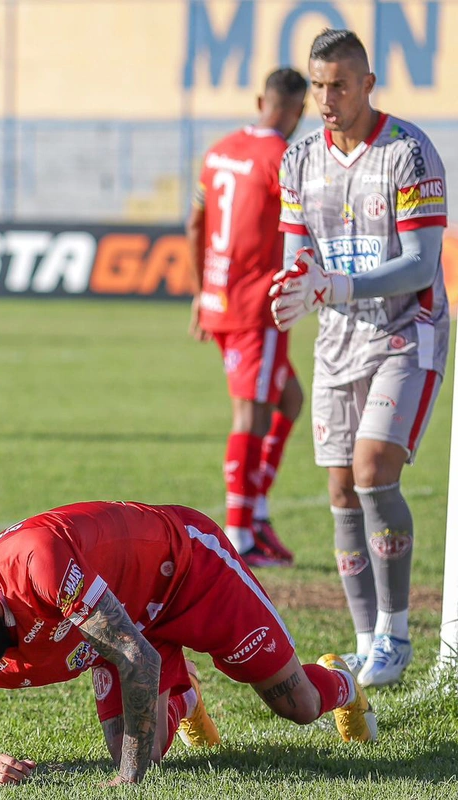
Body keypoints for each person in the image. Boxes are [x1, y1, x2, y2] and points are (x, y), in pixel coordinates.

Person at [0, 501, 375, 787]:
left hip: (188, 572)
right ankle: (184, 696)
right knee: (138, 746)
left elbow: (134, 655)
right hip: (121, 623)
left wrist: (129, 779)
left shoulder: (37, 563)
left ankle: (341, 684)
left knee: (301, 706)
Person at [270, 29, 448, 687]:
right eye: (318, 85)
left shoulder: (408, 153)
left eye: (339, 84)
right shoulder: (301, 159)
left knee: (374, 470)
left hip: (408, 332)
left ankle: (397, 636)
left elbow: (422, 263)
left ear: (368, 84)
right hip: (338, 341)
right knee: (341, 489)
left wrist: (338, 284)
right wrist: (292, 286)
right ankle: (367, 638)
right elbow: (297, 249)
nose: (326, 98)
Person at [187, 68, 308, 568]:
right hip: (256, 304)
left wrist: (199, 293)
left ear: (261, 99)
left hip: (218, 299)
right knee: (252, 414)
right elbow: (302, 226)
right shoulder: (283, 157)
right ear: (297, 110)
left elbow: (195, 222)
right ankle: (241, 532)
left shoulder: (218, 151)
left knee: (289, 400)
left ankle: (255, 513)